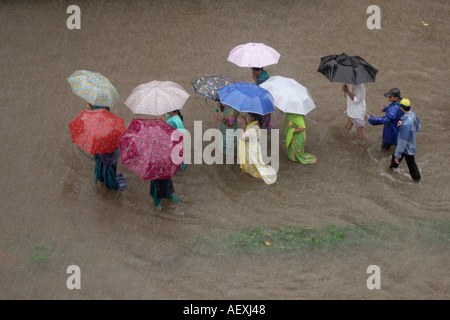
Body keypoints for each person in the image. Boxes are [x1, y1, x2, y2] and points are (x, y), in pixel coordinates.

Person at [87, 104, 127, 191]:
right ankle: (109, 183)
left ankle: (101, 178)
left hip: (100, 153)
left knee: (101, 166)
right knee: (109, 170)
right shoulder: (113, 129)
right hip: (108, 156)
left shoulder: (95, 129)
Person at [149, 109, 184, 208]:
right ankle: (168, 199)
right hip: (167, 160)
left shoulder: (171, 123)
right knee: (166, 183)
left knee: (157, 187)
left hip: (161, 162)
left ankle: (158, 206)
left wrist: (162, 121)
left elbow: (164, 135)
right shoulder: (174, 119)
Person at [238, 112, 277, 185]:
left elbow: (242, 137)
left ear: (252, 117)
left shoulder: (252, 129)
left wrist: (243, 125)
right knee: (256, 162)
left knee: (255, 164)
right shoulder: (255, 123)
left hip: (251, 149)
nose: (247, 116)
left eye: (248, 115)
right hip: (255, 147)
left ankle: (256, 175)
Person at [390, 99, 421, 181]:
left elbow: (402, 142)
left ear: (402, 108)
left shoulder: (406, 125)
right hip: (411, 142)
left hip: (407, 147)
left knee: (411, 164)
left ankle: (417, 179)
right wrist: (402, 122)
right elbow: (418, 126)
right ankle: (392, 168)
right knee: (395, 158)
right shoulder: (412, 114)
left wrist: (397, 156)